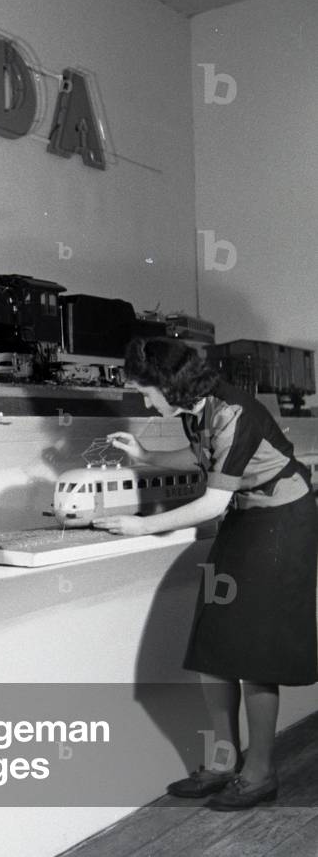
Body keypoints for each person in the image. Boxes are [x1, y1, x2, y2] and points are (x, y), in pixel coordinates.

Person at [93, 337, 318, 810]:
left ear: (168, 385)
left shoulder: (232, 411)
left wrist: (142, 526)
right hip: (246, 516)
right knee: (213, 643)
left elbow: (212, 501)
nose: (145, 400)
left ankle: (260, 772)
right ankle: (221, 763)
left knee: (257, 652)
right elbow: (204, 462)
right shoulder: (197, 409)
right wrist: (144, 456)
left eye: (146, 391)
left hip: (283, 522)